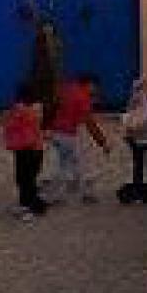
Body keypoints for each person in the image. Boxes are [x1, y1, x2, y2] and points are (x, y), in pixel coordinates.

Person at [46, 70, 111, 203]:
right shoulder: (82, 97)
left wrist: (47, 128)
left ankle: (60, 193)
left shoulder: (66, 90)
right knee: (82, 164)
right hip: (68, 133)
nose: (96, 90)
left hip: (56, 132)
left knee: (66, 163)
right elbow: (90, 123)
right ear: (90, 84)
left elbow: (53, 107)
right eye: (95, 86)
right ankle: (85, 194)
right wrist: (102, 142)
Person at [2, 82, 50, 218]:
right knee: (29, 178)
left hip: (24, 148)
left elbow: (11, 124)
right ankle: (31, 204)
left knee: (23, 179)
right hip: (36, 147)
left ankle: (30, 206)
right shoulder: (37, 108)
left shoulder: (20, 109)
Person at [118, 76, 147, 204]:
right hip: (138, 140)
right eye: (138, 89)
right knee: (139, 165)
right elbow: (128, 120)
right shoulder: (133, 103)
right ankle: (139, 189)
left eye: (143, 88)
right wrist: (129, 132)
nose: (141, 92)